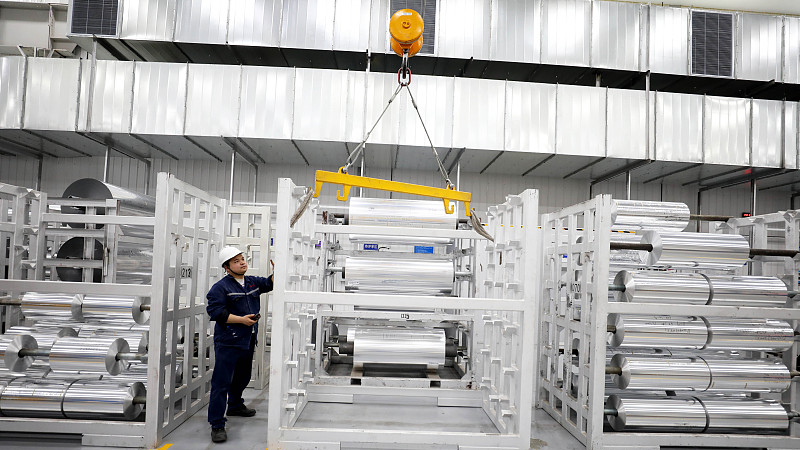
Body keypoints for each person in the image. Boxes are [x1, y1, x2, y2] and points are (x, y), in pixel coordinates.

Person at [206, 246, 273, 443]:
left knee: (243, 376)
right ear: (226, 267)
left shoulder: (251, 282)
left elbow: (269, 284)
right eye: (236, 261)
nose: (242, 262)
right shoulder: (220, 288)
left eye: (242, 259)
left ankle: (235, 405)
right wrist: (241, 320)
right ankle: (217, 424)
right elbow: (216, 313)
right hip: (229, 340)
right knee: (221, 383)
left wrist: (277, 273)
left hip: (248, 338)